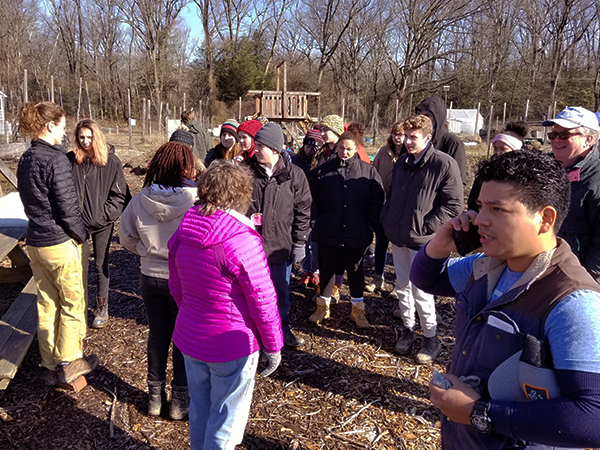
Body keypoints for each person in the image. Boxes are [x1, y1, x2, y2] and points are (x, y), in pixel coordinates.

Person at [411, 149, 600, 449]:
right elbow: (426, 278)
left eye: (497, 210)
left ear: (545, 219)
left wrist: (480, 413)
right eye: (480, 206)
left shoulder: (573, 301)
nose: (480, 220)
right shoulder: (490, 265)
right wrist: (441, 241)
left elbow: (592, 419)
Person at [168, 160, 283, 449]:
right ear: (240, 195)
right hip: (231, 344)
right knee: (227, 422)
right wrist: (273, 345)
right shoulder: (240, 239)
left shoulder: (184, 230)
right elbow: (263, 299)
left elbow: (176, 286)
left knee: (201, 408)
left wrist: (193, 314)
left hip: (191, 337)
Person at [16, 102, 98, 386]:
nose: (65, 133)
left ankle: (50, 364)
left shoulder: (26, 158)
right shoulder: (55, 160)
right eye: (63, 126)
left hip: (36, 243)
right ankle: (70, 361)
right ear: (50, 126)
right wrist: (81, 235)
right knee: (73, 303)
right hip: (58, 243)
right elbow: (68, 208)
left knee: (47, 304)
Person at [118, 142, 196, 420]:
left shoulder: (140, 200)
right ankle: (180, 400)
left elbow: (125, 237)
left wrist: (146, 252)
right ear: (184, 167)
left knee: (158, 335)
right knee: (183, 340)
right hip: (183, 279)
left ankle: (154, 398)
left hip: (149, 276)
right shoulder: (194, 199)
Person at [381, 114, 463, 364]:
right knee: (402, 288)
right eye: (405, 136)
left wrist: (425, 228)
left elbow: (453, 206)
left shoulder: (444, 164)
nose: (406, 141)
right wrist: (388, 217)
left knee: (422, 291)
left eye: (413, 137)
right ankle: (407, 330)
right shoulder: (403, 162)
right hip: (398, 236)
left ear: (428, 138)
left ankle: (431, 337)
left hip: (423, 241)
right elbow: (392, 193)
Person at [308, 127, 385, 328]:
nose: (345, 153)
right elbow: (311, 198)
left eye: (349, 149)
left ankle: (357, 310)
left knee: (356, 271)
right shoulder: (323, 171)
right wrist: (316, 219)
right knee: (327, 269)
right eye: (341, 148)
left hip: (357, 231)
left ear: (356, 148)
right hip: (329, 229)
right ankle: (322, 307)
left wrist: (369, 223)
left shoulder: (368, 172)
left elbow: (377, 200)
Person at [247, 122, 312, 347]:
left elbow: (303, 212)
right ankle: (254, 334)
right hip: (250, 249)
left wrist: (300, 243)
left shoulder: (294, 176)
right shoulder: (246, 173)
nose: (255, 150)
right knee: (251, 295)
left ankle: (282, 329)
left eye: (260, 146)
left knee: (280, 293)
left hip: (280, 247)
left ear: (275, 149)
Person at [68, 118, 130, 329]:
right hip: (76, 224)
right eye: (81, 137)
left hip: (102, 223)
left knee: (100, 264)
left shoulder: (111, 162)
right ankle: (78, 307)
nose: (86, 142)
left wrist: (104, 215)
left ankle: (102, 306)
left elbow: (120, 195)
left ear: (97, 137)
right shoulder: (71, 161)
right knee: (78, 266)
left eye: (89, 137)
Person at [541, 106, 600, 282]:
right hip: (543, 267)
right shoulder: (544, 167)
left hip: (574, 276)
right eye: (553, 135)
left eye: (565, 135)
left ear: (588, 140)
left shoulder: (596, 179)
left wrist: (585, 281)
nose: (557, 140)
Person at [366, 121, 406, 295]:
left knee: (398, 245)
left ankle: (400, 283)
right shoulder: (384, 151)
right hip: (382, 203)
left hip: (400, 205)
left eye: (402, 135)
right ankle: (378, 278)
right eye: (396, 134)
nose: (398, 138)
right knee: (381, 242)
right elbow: (374, 173)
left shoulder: (408, 154)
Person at [467, 121, 528, 212]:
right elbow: (473, 202)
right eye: (495, 148)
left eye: (503, 149)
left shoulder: (525, 175)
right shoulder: (486, 173)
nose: (498, 153)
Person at [293, 128, 325, 290]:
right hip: (299, 204)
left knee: (314, 242)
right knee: (303, 240)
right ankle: (306, 270)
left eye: (314, 147)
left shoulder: (320, 163)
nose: (310, 150)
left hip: (316, 205)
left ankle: (315, 270)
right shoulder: (295, 160)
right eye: (307, 145)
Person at [415, 95, 467, 185]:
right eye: (420, 115)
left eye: (427, 115)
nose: (422, 120)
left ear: (437, 119)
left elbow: (457, 183)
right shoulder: (412, 141)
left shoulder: (453, 143)